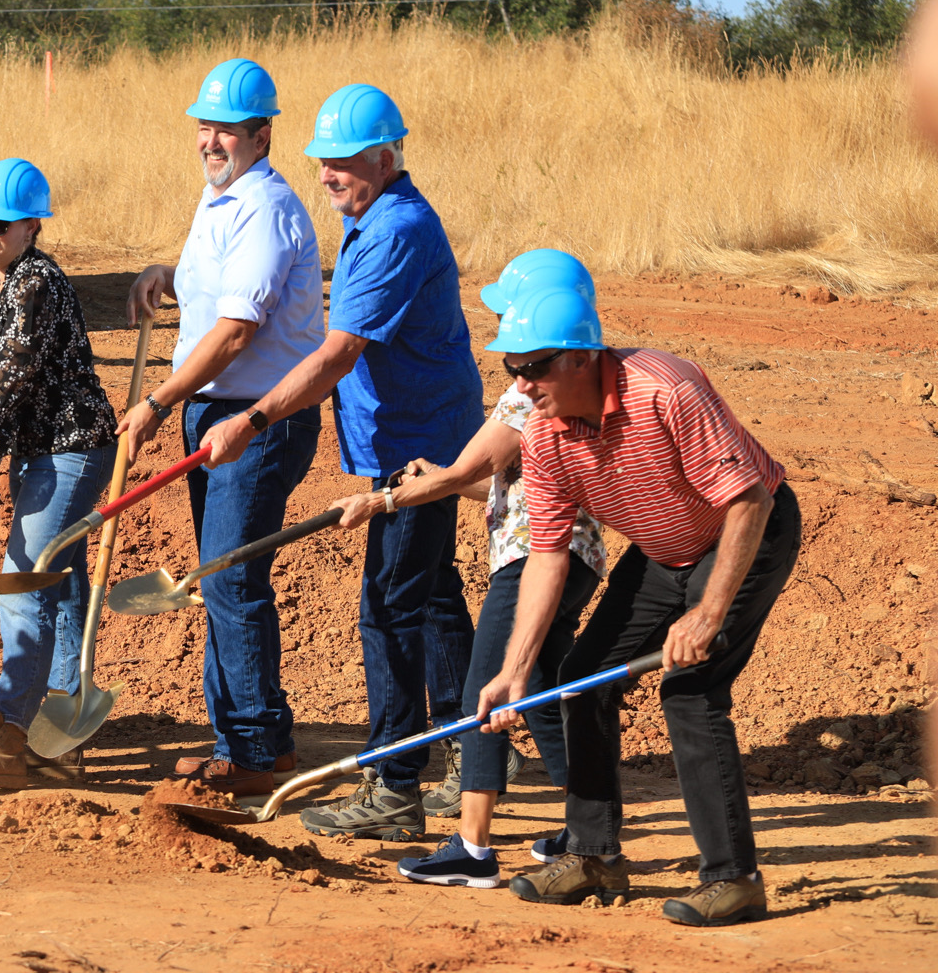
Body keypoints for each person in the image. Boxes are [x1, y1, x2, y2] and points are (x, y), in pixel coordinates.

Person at [202, 82, 483, 836]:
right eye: (321, 161)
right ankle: (469, 749)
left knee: (389, 605)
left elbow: (337, 354)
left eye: (343, 162)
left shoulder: (394, 230)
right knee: (429, 591)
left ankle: (395, 786)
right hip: (415, 428)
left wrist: (253, 419)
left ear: (387, 156)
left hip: (418, 440)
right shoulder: (378, 214)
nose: (326, 175)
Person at [475, 269, 797, 925]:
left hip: (746, 533)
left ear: (585, 358)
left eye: (533, 367)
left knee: (691, 689)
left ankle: (734, 879)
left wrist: (707, 613)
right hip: (664, 550)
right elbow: (546, 555)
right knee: (580, 678)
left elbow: (748, 500)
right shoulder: (542, 433)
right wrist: (512, 671)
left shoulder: (666, 389)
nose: (520, 386)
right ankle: (594, 855)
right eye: (512, 368)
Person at [332, 251, 609, 888]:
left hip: (535, 558)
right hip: (574, 552)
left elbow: (467, 473)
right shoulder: (563, 386)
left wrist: (381, 499)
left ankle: (473, 847)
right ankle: (584, 823)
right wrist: (436, 480)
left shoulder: (526, 401)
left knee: (481, 691)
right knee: (542, 690)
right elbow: (494, 484)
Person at [122, 59, 327, 796]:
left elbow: (239, 330)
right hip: (217, 410)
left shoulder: (266, 208)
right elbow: (217, 287)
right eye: (204, 127)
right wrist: (164, 277)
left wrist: (159, 400)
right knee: (218, 577)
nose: (210, 140)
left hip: (256, 418)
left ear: (261, 134)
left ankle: (255, 751)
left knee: (233, 581)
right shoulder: (220, 199)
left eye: (226, 130)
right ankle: (242, 741)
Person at [0, 159, 119, 789]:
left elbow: (8, 389)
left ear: (32, 227)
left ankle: (10, 734)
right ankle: (60, 740)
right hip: (40, 454)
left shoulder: (34, 282)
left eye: (0, 223)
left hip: (70, 450)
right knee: (61, 591)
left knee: (23, 584)